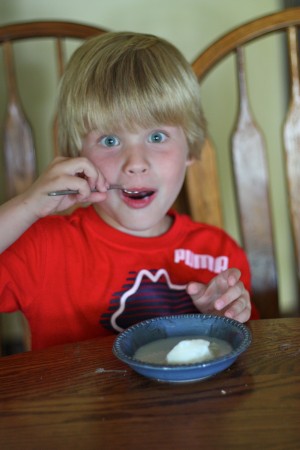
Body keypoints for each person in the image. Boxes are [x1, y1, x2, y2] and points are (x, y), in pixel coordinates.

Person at [0, 31, 258, 351]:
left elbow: (244, 358)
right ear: (76, 155)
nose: (135, 163)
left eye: (157, 137)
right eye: (110, 140)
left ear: (191, 148)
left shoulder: (219, 255)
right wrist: (27, 206)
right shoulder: (43, 247)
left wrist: (219, 320)